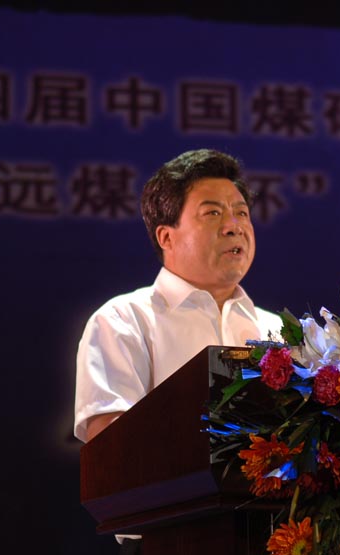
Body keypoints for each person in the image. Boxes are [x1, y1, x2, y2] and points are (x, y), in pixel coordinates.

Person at [74, 149, 282, 444]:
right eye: (213, 213)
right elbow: (111, 447)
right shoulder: (123, 321)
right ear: (166, 237)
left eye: (241, 213)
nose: (233, 226)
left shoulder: (276, 329)